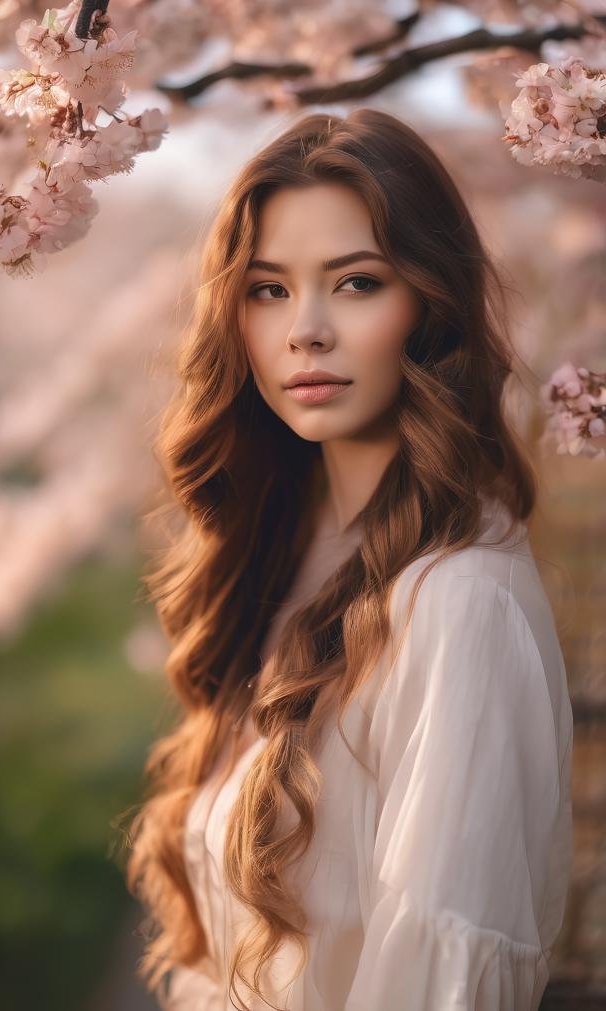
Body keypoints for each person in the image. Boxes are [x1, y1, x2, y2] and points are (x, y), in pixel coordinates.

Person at [123, 109, 574, 1010]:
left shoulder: (458, 601)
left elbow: (441, 979)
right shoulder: (289, 550)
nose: (307, 331)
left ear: (430, 303)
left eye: (357, 283)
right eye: (268, 290)